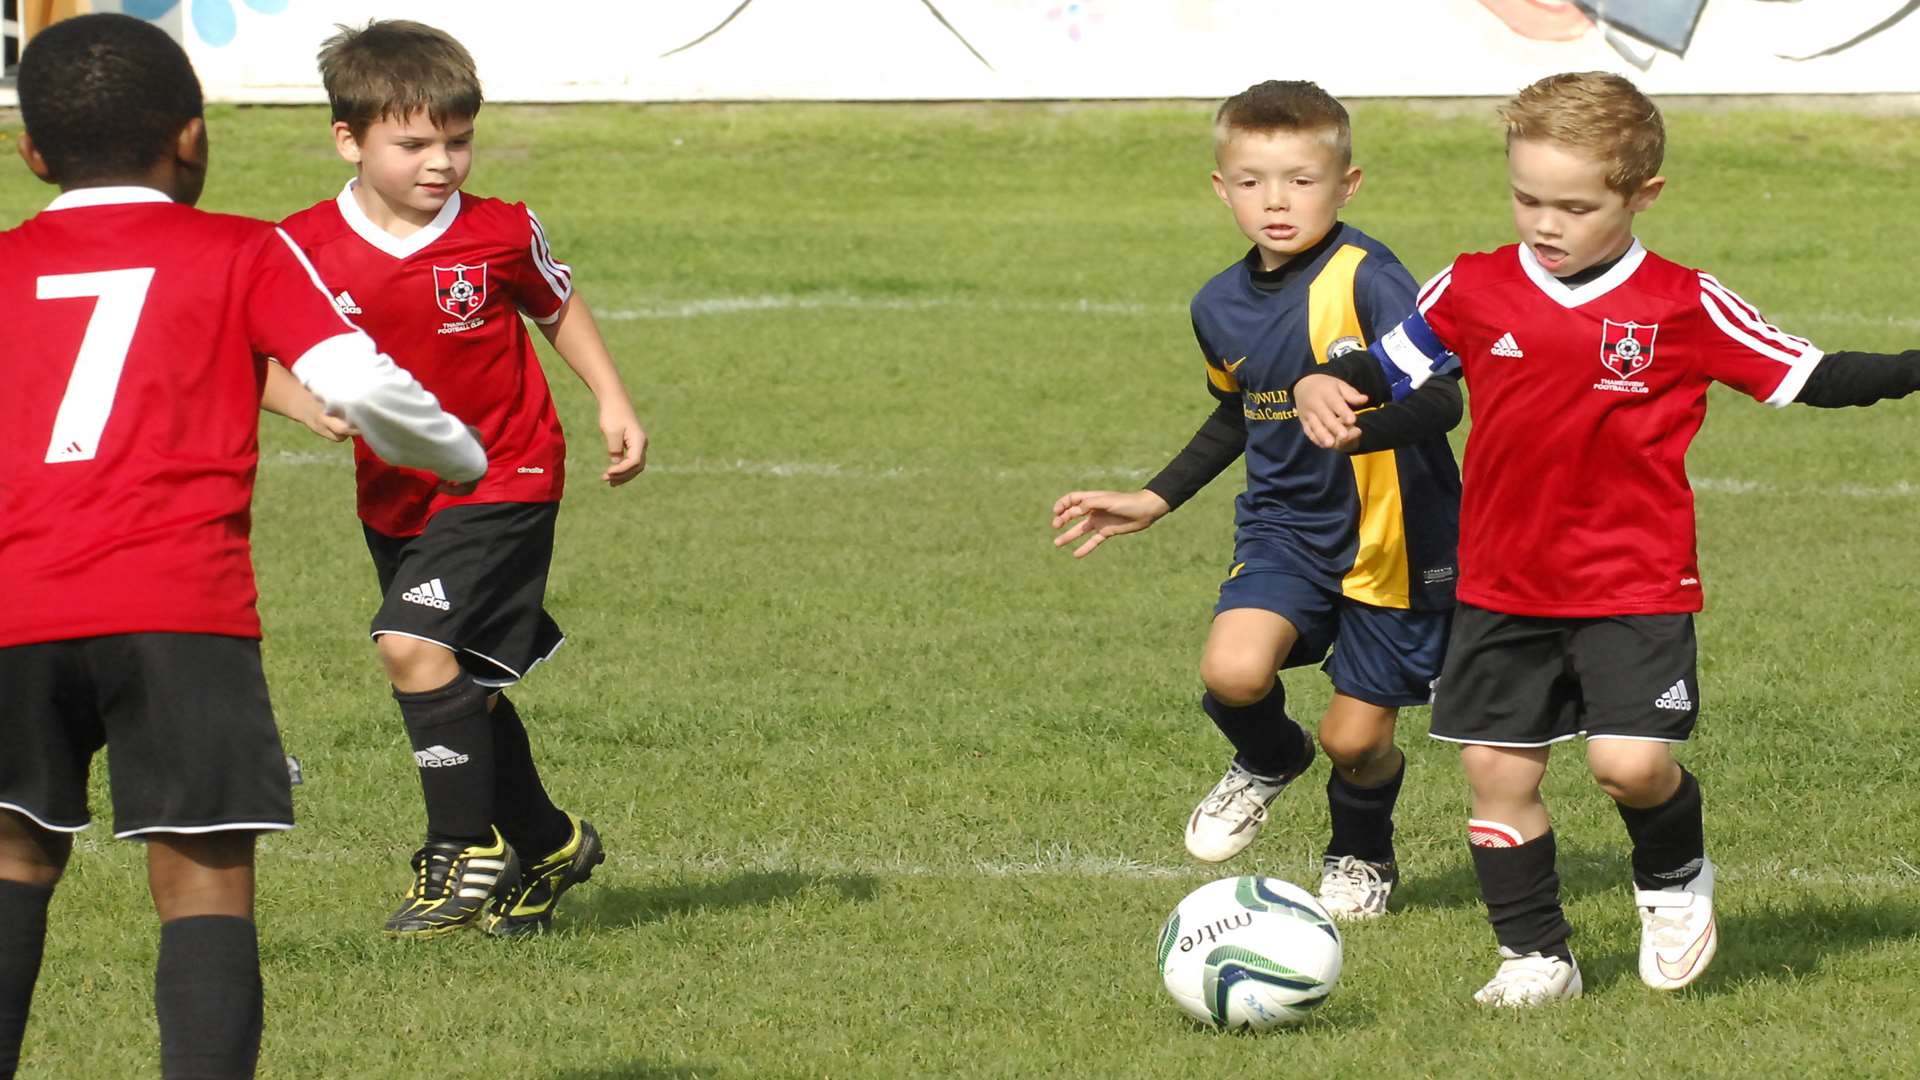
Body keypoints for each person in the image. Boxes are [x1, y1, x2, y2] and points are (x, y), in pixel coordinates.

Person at [1295, 70, 1920, 1005]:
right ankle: (1535, 955)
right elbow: (1387, 365)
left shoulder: (1681, 303)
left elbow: (1814, 374)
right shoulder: (1474, 284)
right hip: (1500, 584)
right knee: (1496, 777)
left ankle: (1673, 883)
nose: (1546, 223)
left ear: (1642, 196)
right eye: (1527, 197)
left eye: (1575, 206)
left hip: (1634, 582)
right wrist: (1325, 381)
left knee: (1629, 766)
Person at [0, 14, 487, 1078]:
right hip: (182, 613)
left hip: (13, 613)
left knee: (11, 860)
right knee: (205, 883)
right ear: (191, 138)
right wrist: (456, 455)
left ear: (34, 155)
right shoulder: (238, 248)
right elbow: (354, 381)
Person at [269, 18, 646, 938]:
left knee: (407, 645)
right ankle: (551, 844)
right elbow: (250, 352)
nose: (441, 163)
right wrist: (304, 404)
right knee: (458, 679)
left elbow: (555, 304)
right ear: (348, 140)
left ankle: (461, 849)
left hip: (507, 472)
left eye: (458, 140)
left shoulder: (500, 230)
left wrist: (611, 398)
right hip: (396, 493)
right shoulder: (300, 247)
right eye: (414, 144)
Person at [1050, 80, 1462, 918]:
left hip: (1396, 542)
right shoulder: (1218, 303)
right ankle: (1270, 759)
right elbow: (1242, 409)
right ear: (1221, 186)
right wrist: (1155, 498)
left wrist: (1358, 431)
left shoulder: (1369, 278)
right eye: (1252, 181)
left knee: (1357, 741)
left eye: (1301, 181)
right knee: (1233, 672)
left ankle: (1360, 851)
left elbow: (1445, 399)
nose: (1277, 201)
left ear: (1347, 184)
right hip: (1284, 530)